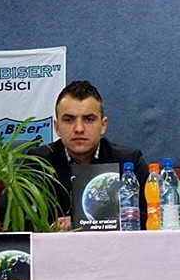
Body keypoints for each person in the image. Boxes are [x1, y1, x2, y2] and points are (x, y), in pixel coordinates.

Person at [28, 80, 149, 230]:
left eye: (89, 119)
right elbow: (15, 220)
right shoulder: (37, 163)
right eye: (69, 120)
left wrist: (80, 223)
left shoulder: (129, 161)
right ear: (57, 127)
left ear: (103, 125)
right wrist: (51, 226)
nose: (79, 128)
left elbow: (148, 216)